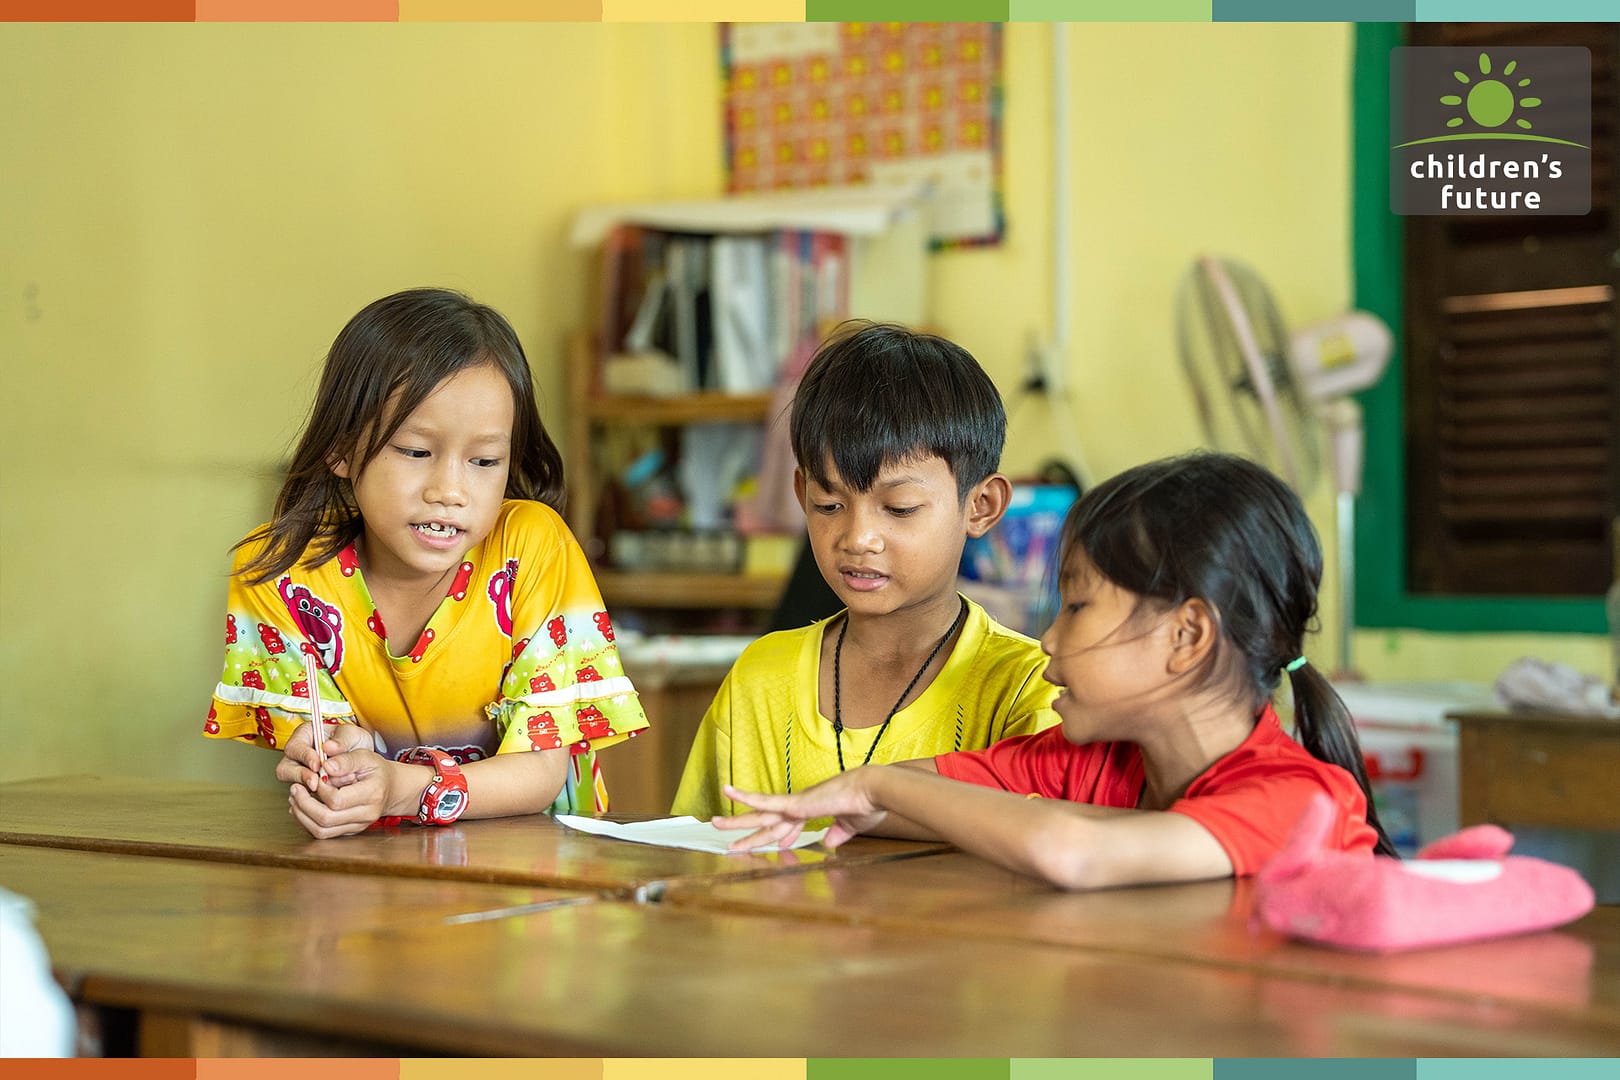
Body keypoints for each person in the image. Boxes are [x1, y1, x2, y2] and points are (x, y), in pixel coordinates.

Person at [715, 451, 1394, 890]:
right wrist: (857, 800)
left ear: (1187, 635)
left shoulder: (1300, 799)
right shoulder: (1091, 764)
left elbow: (1071, 852)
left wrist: (871, 782)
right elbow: (914, 799)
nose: (1048, 639)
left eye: (1076, 607)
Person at [205, 288, 648, 837]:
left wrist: (401, 787)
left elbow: (540, 774)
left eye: (484, 460)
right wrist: (338, 758)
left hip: (540, 867)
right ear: (342, 447)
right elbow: (337, 744)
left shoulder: (533, 547)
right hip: (380, 869)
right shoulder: (283, 572)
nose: (450, 490)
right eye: (416, 452)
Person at [671, 322, 1060, 819]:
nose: (858, 538)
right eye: (828, 505)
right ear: (801, 495)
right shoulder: (760, 679)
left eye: (899, 508)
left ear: (980, 506)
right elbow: (697, 849)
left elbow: (1043, 835)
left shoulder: (1027, 687)